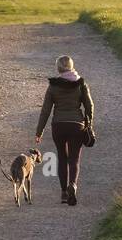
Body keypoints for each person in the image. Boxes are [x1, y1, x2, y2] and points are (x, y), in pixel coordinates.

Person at [34, 55, 94, 206]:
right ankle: (72, 185)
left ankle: (63, 193)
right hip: (76, 125)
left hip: (58, 125)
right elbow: (89, 105)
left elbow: (46, 110)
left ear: (58, 69)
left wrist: (39, 132)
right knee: (74, 159)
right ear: (71, 66)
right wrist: (89, 122)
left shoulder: (53, 86)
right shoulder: (81, 84)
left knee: (62, 157)